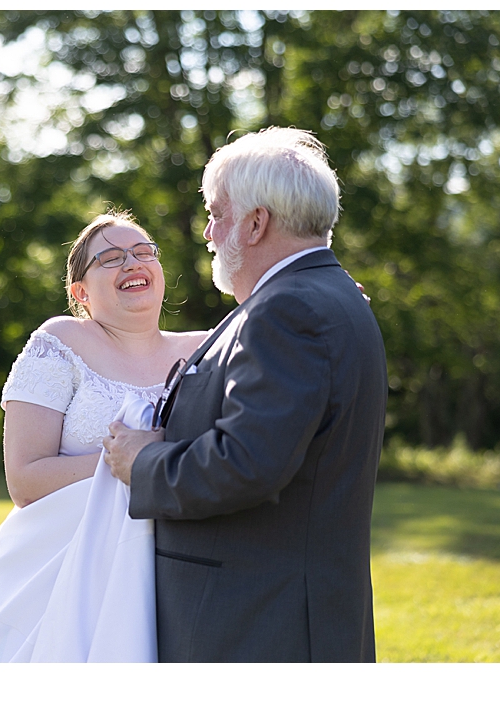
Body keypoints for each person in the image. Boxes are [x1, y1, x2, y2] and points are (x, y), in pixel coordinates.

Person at [104, 127, 388, 662]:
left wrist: (144, 461)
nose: (208, 232)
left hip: (257, 624)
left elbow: (248, 463)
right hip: (283, 613)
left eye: (216, 213)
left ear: (256, 223)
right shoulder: (323, 295)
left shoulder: (290, 310)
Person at [0, 211, 205, 662]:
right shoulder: (60, 341)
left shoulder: (207, 348)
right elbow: (24, 480)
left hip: (172, 580)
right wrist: (128, 459)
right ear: (81, 292)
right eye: (111, 258)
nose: (132, 263)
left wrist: (319, 297)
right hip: (56, 578)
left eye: (143, 252)